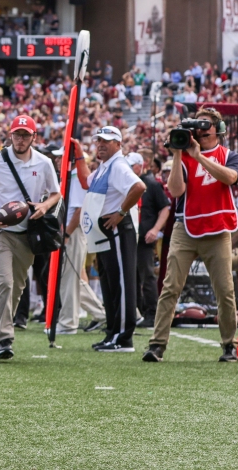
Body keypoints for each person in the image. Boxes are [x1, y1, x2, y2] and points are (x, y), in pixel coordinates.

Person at [145, 108, 238, 362]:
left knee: (224, 290)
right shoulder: (185, 157)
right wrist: (178, 155)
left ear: (218, 129)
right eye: (198, 125)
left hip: (218, 229)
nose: (202, 129)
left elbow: (230, 178)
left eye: (207, 124)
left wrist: (199, 157)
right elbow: (176, 191)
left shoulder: (229, 155)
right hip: (185, 228)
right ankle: (157, 345)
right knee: (170, 286)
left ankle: (229, 345)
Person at [0, 115, 61, 360]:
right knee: (5, 283)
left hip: (26, 232)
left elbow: (55, 193)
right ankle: (4, 340)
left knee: (17, 287)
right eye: (17, 134)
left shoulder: (43, 163)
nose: (20, 139)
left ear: (34, 137)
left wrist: (44, 207)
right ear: (10, 135)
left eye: (25, 135)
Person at [80, 126, 145, 352]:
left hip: (117, 228)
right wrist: (78, 155)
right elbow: (86, 182)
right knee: (109, 284)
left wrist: (121, 212)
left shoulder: (117, 165)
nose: (100, 144)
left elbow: (139, 186)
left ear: (118, 144)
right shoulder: (104, 167)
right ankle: (113, 332)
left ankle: (123, 337)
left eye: (106, 141)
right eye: (98, 140)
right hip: (105, 230)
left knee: (121, 283)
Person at [55, 142, 106, 334]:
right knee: (73, 278)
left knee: (69, 278)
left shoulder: (75, 178)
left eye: (61, 157)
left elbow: (78, 209)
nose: (57, 160)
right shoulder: (70, 177)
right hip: (71, 231)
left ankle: (68, 323)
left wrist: (67, 233)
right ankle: (102, 314)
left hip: (73, 232)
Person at [129, 150, 170, 328]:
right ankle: (137, 310)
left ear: (140, 166)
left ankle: (151, 313)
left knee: (146, 275)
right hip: (131, 235)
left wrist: (155, 229)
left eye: (131, 166)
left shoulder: (152, 184)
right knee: (134, 277)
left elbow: (165, 209)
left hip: (144, 236)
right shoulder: (131, 182)